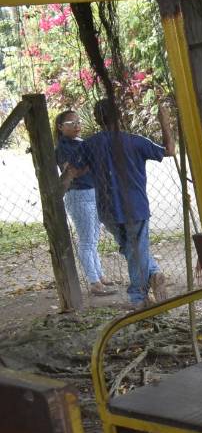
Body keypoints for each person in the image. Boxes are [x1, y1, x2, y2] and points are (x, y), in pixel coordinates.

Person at [65, 99, 176, 309]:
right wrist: (165, 122)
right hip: (136, 207)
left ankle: (146, 283)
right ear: (121, 116)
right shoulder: (136, 141)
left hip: (108, 209)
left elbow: (74, 170)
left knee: (131, 249)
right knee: (136, 249)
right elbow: (169, 150)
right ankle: (143, 288)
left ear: (97, 120)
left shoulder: (90, 144)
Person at [54, 110, 114, 296]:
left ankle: (99, 275)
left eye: (78, 122)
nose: (77, 125)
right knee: (87, 240)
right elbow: (72, 170)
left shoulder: (82, 142)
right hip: (78, 195)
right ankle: (94, 281)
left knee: (94, 237)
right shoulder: (63, 148)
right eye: (71, 123)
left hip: (93, 193)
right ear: (60, 127)